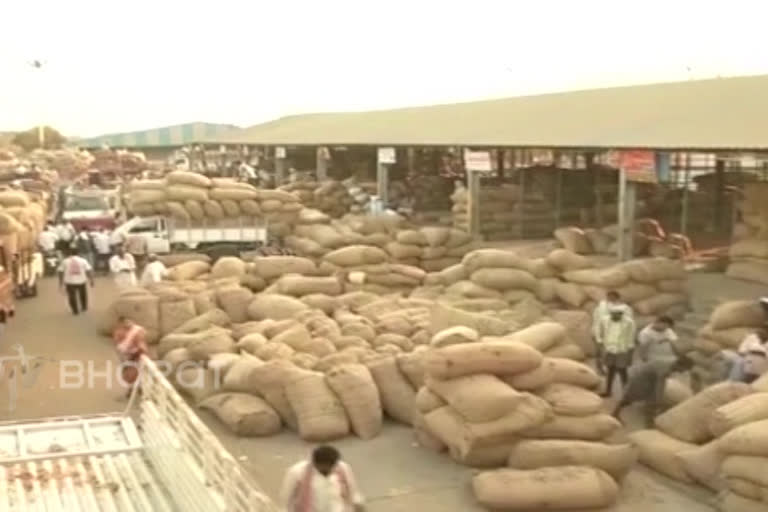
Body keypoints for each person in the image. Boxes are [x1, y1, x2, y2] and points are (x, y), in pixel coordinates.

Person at [612, 356, 694, 427]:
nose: (684, 372)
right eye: (685, 369)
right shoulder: (665, 367)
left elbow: (660, 383)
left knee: (649, 400)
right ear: (680, 365)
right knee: (631, 397)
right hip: (640, 378)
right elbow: (660, 385)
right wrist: (658, 400)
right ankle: (615, 414)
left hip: (649, 378)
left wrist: (657, 399)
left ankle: (649, 423)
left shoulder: (671, 364)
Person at [280, 445, 365, 512]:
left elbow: (353, 491)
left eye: (331, 467)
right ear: (315, 463)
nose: (328, 471)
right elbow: (286, 498)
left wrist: (358, 505)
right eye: (323, 468)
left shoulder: (343, 468)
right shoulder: (297, 472)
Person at [596, 305, 636, 397]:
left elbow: (631, 338)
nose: (614, 316)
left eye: (617, 315)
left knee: (623, 372)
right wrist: (600, 344)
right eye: (613, 314)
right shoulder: (605, 320)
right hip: (609, 349)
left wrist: (630, 355)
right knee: (610, 371)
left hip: (622, 350)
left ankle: (626, 395)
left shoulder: (629, 322)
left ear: (621, 314)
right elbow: (601, 333)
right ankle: (608, 391)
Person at [592, 291, 632, 374]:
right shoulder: (601, 306)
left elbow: (628, 320)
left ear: (617, 298)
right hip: (600, 330)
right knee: (599, 351)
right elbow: (596, 319)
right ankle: (600, 369)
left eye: (612, 297)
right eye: (609, 297)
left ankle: (612, 368)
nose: (610, 298)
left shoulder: (624, 308)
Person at [112, 317, 148, 398]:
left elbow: (142, 346)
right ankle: (136, 389)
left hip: (136, 355)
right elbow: (117, 344)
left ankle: (137, 390)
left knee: (134, 373)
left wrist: (140, 352)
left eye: (128, 322)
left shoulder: (136, 331)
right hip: (126, 355)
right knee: (128, 373)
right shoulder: (118, 332)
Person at [58, 248, 94, 315]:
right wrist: (91, 280)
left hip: (70, 281)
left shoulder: (65, 261)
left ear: (69, 254)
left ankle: (75, 310)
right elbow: (89, 270)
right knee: (83, 294)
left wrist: (60, 282)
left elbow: (60, 271)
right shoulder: (83, 260)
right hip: (81, 280)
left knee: (72, 296)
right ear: (78, 253)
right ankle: (84, 307)